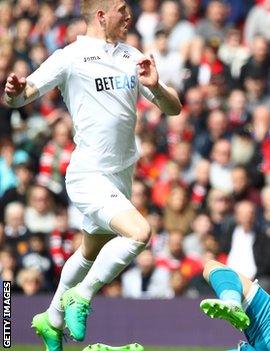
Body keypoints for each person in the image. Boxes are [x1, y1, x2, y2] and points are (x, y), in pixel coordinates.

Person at [3, 1, 182, 349]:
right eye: (121, 9)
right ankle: (81, 296)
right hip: (88, 174)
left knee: (89, 252)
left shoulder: (132, 56)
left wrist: (157, 87)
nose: (129, 16)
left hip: (121, 176)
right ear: (101, 16)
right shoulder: (70, 56)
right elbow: (23, 94)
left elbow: (173, 108)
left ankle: (51, 318)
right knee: (140, 233)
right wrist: (12, 93)